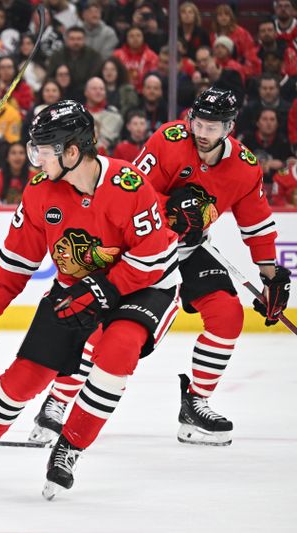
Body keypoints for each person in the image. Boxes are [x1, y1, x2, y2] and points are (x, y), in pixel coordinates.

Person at [0, 100, 180, 499]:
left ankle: (70, 447)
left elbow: (155, 258)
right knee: (28, 373)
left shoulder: (128, 185)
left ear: (72, 151)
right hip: (78, 288)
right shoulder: (39, 192)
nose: (36, 158)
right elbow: (17, 262)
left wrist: (102, 289)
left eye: (44, 150)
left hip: (146, 288)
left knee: (116, 352)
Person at [28, 88, 292, 449]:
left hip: (187, 250)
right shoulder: (168, 140)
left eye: (212, 127)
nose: (201, 131)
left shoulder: (245, 168)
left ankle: (196, 403)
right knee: (100, 325)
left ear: (229, 128)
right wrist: (171, 206)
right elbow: (129, 190)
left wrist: (270, 274)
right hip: (140, 247)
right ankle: (57, 402)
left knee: (228, 315)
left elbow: (257, 225)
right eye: (196, 122)